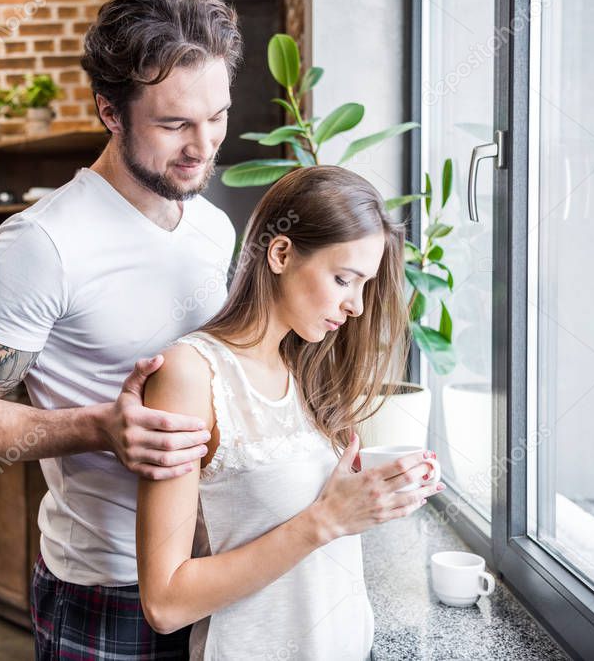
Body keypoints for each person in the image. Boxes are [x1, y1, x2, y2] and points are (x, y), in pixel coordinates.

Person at [0, 0, 243, 657]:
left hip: (213, 570)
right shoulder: (42, 242)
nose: (202, 145)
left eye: (215, 116)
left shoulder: (213, 227)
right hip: (106, 583)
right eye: (174, 123)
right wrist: (97, 426)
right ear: (110, 112)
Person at [136, 166, 446, 659]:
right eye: (344, 279)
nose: (357, 307)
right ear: (280, 253)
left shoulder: (309, 368)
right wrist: (326, 520)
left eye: (363, 285)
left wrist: (375, 496)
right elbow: (166, 602)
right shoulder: (191, 373)